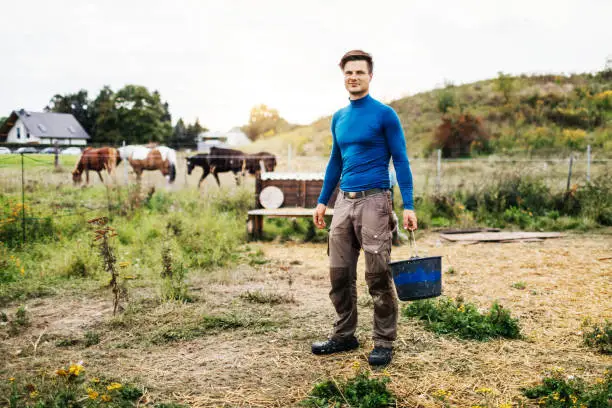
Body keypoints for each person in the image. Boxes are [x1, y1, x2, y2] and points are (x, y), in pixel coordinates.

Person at [312, 50, 417, 366]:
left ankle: (384, 341)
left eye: (359, 72)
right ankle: (344, 335)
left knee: (377, 274)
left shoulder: (385, 114)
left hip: (376, 201)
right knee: (339, 274)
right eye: (348, 73)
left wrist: (408, 205)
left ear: (370, 76)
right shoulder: (339, 118)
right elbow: (335, 161)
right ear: (343, 77)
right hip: (344, 201)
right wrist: (322, 200)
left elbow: (400, 159)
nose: (353, 77)